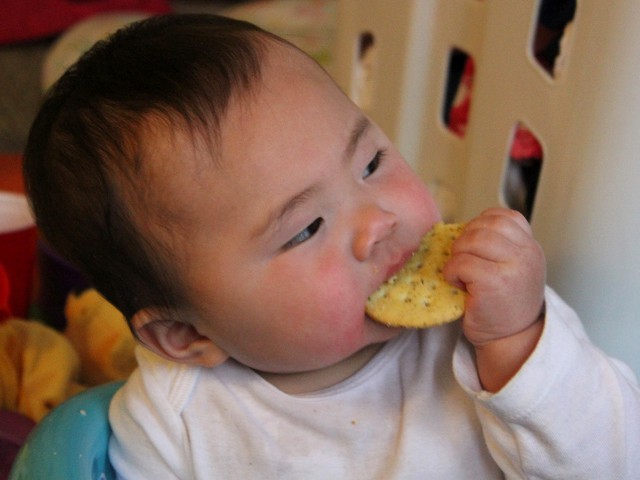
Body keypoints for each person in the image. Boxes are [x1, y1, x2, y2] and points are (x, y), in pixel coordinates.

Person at [23, 14, 640, 479]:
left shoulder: (493, 328)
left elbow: (617, 461)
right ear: (187, 335)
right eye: (307, 228)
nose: (378, 221)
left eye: (371, 162)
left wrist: (518, 346)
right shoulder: (174, 421)